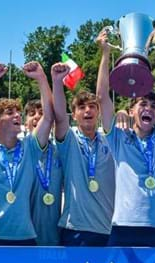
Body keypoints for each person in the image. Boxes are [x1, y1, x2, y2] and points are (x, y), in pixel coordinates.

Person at [97, 27, 155, 246]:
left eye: (154, 106)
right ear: (132, 110)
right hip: (124, 225)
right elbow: (102, 97)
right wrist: (105, 54)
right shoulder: (118, 135)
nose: (149, 109)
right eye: (143, 104)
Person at [0, 61, 53, 245]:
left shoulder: (30, 147)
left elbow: (48, 117)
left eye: (18, 112)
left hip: (23, 236)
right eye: (10, 112)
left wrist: (41, 78)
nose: (17, 116)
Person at [51, 63, 115, 246]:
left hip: (107, 229)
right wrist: (56, 82)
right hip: (75, 229)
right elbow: (59, 117)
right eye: (81, 107)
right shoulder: (69, 140)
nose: (88, 110)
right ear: (74, 114)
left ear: (99, 112)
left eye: (92, 106)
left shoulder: (111, 141)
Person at [23, 99, 63, 246]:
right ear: (25, 122)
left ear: (51, 123)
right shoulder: (18, 152)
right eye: (32, 114)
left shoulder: (60, 153)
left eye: (42, 113)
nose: (37, 117)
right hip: (24, 238)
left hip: (54, 237)